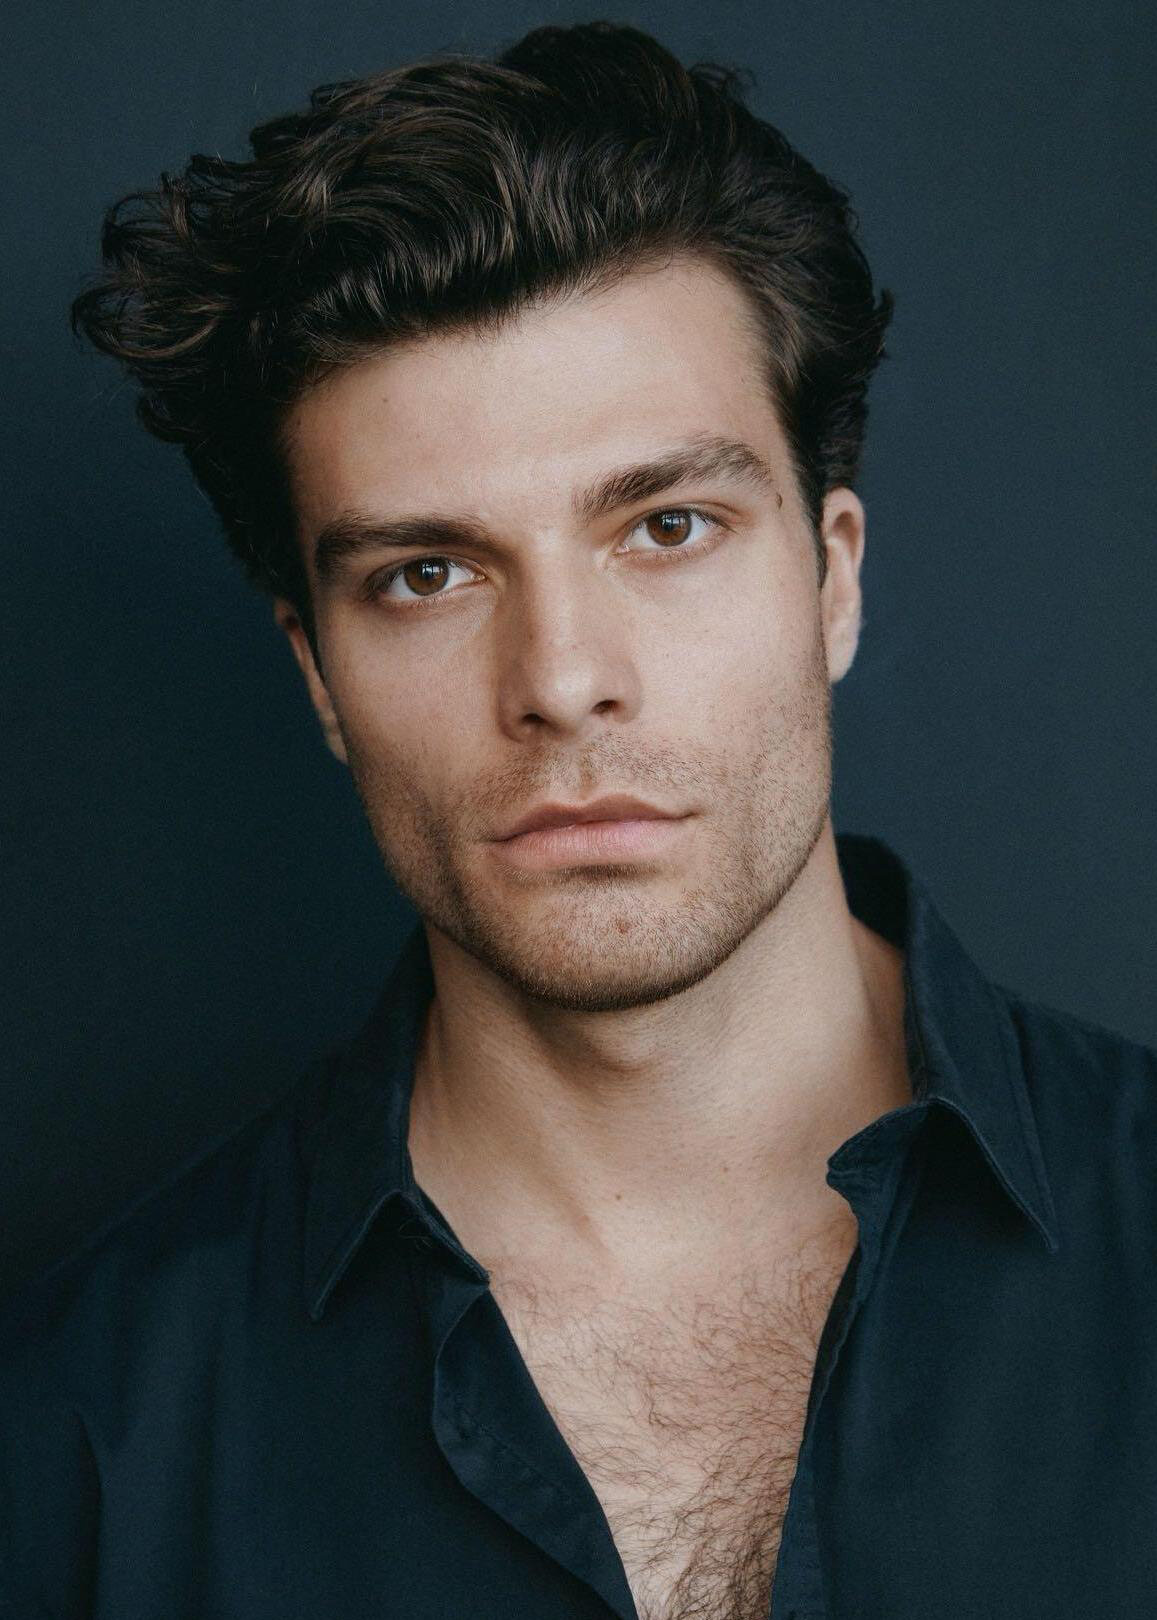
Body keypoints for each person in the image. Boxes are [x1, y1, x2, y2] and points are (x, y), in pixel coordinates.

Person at [2, 19, 1154, 1620]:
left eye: (666, 526)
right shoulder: (74, 1442)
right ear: (318, 674)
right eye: (427, 574)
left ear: (829, 578)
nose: (559, 679)